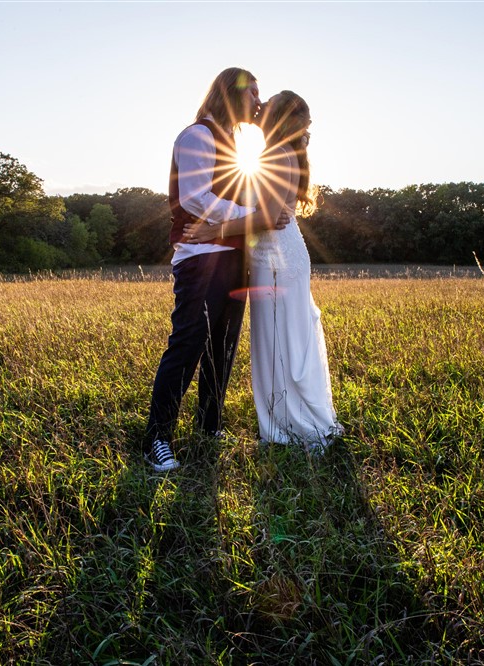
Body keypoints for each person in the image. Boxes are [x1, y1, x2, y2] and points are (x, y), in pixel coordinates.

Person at [143, 68, 288, 472]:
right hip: (201, 256)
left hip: (237, 258)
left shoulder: (236, 144)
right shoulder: (197, 137)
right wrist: (254, 214)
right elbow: (195, 197)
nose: (259, 100)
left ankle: (210, 425)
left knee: (221, 349)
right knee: (188, 344)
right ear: (229, 94)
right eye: (252, 92)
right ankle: (157, 436)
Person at [184, 91, 342, 451]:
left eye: (267, 105)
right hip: (280, 258)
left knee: (279, 342)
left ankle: (288, 426)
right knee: (286, 339)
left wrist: (214, 229)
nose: (259, 107)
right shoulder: (280, 153)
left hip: (276, 262)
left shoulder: (275, 155)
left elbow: (269, 218)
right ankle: (289, 418)